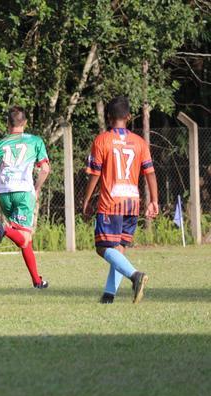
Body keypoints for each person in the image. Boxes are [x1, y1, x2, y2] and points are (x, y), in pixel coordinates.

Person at [83, 96, 158, 304]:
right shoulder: (139, 142)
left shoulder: (102, 140)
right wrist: (154, 200)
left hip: (110, 203)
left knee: (102, 248)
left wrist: (87, 200)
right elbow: (150, 173)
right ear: (129, 117)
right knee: (119, 251)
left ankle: (135, 276)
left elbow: (95, 174)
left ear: (108, 117)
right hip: (132, 203)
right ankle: (108, 296)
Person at [0, 106, 51, 289]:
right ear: (25, 122)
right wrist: (36, 188)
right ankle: (5, 230)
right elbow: (45, 169)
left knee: (26, 240)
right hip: (23, 192)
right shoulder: (35, 141)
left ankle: (37, 281)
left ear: (8, 123)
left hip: (4, 193)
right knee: (23, 237)